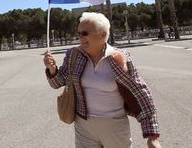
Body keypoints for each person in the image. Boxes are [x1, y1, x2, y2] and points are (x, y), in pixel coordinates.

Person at [44, 12, 161, 148]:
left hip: (114, 126)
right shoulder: (74, 56)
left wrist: (152, 136)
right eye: (79, 33)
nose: (80, 37)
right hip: (83, 125)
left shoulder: (119, 58)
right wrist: (52, 69)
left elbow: (140, 92)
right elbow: (57, 82)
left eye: (85, 33)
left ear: (103, 35)